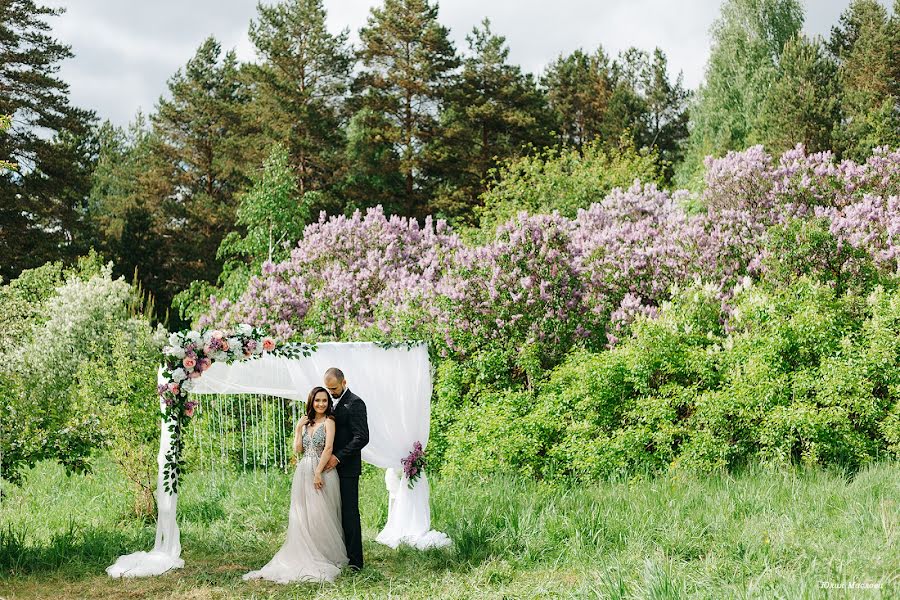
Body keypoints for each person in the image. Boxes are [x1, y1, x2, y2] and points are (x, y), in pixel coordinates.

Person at [242, 387, 348, 583]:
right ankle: (306, 551)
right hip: (304, 471)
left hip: (322, 471)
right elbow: (298, 449)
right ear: (311, 401)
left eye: (325, 400)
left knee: (321, 514)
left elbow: (329, 447)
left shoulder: (329, 421)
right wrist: (298, 428)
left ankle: (323, 554)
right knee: (304, 515)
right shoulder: (307, 422)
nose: (321, 404)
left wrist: (318, 472)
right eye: (318, 400)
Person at [322, 367, 369, 571]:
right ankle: (338, 554)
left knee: (349, 514)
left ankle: (355, 561)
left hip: (347, 468)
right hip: (329, 468)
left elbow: (362, 437)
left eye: (334, 388)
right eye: (328, 389)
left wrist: (338, 458)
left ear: (344, 382)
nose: (331, 392)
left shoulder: (356, 403)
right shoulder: (330, 404)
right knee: (333, 512)